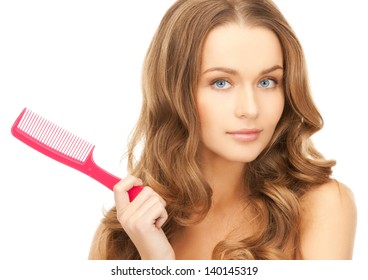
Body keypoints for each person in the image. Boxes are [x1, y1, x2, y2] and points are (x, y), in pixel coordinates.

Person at [89, 0, 357, 260]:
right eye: (221, 83)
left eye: (267, 82)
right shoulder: (122, 234)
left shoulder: (322, 207)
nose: (250, 109)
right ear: (174, 93)